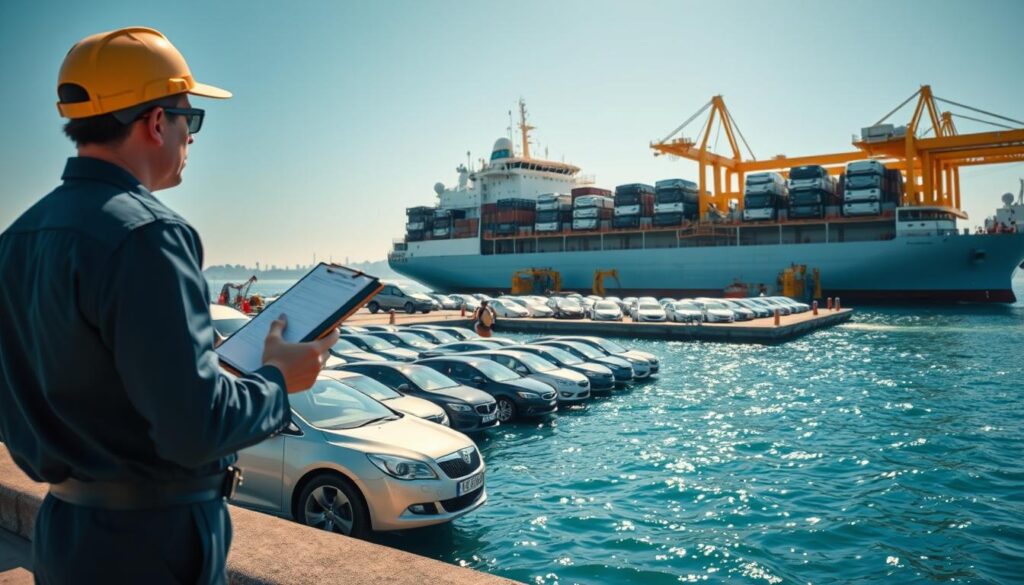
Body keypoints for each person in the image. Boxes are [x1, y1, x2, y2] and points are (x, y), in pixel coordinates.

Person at [0, 27, 337, 584]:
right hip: (150, 545)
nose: (192, 136)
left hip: (64, 533)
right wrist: (279, 379)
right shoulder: (149, 235)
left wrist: (201, 363)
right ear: (157, 123)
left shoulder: (17, 240)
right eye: (192, 118)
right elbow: (193, 428)